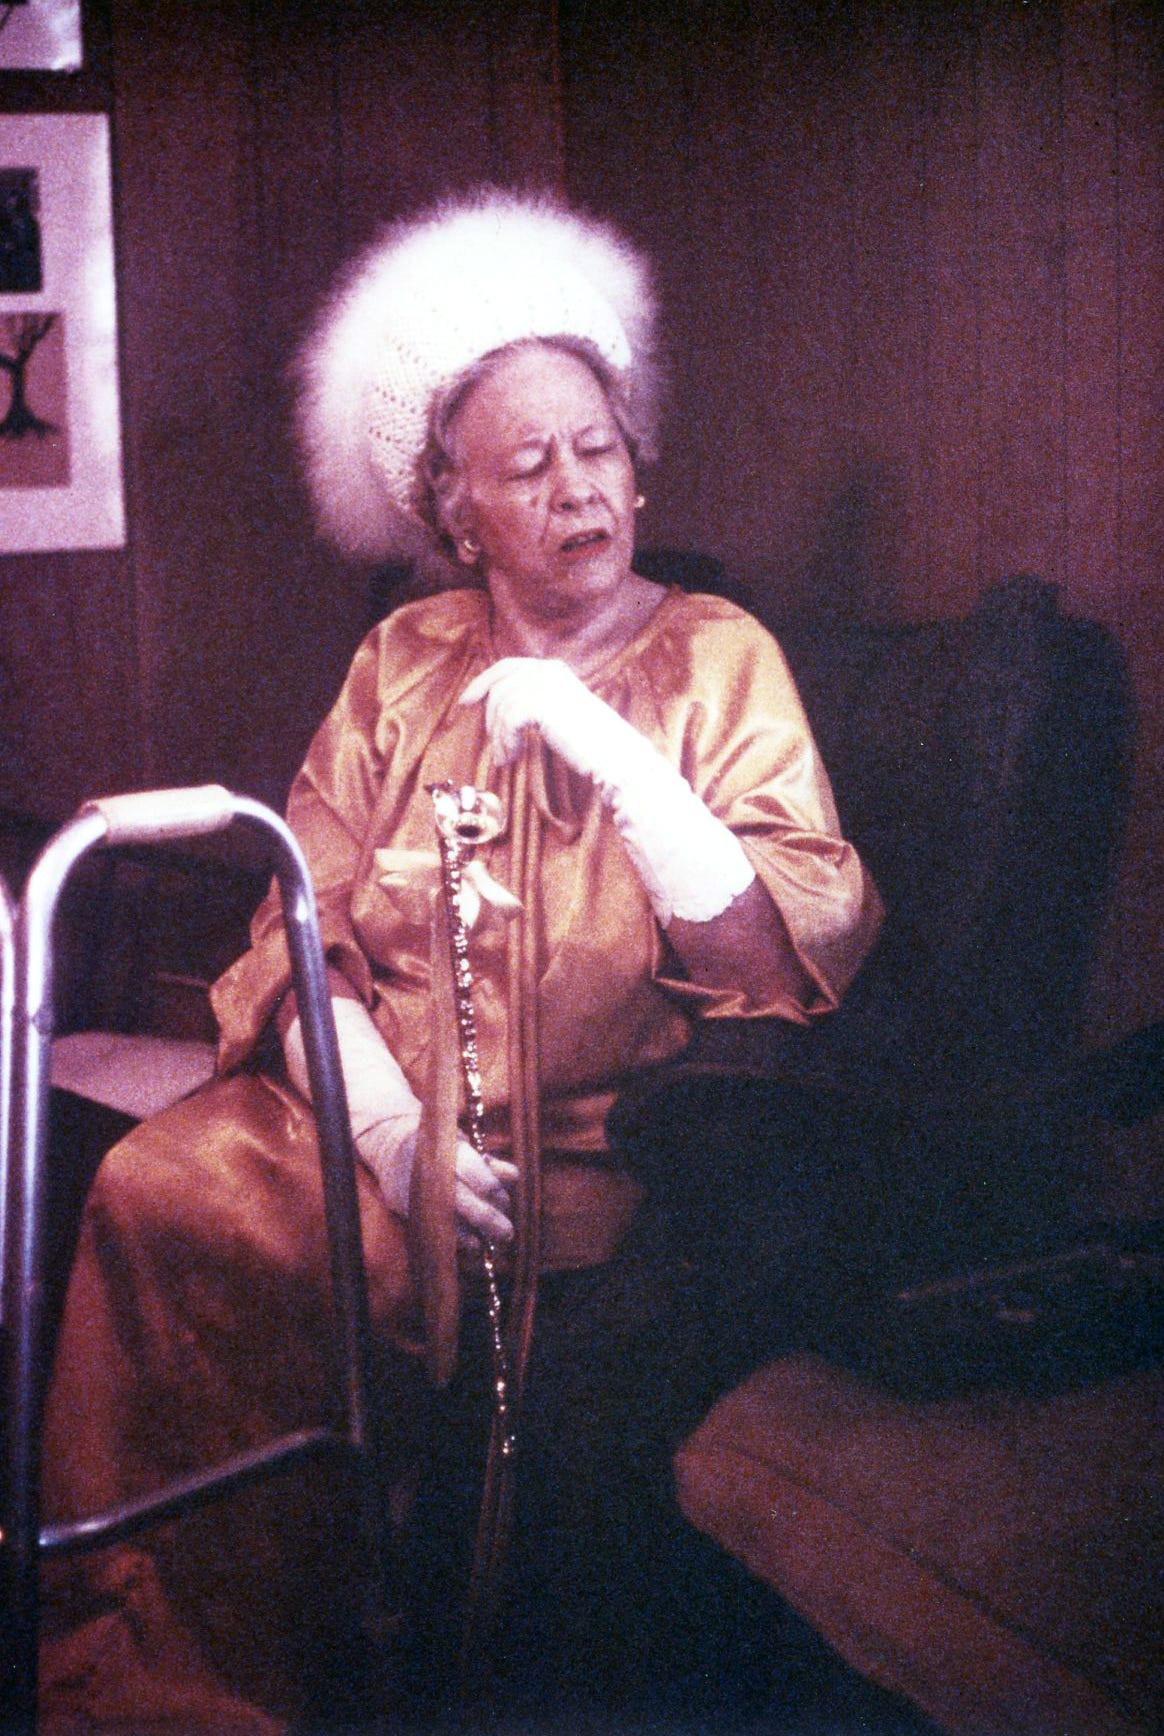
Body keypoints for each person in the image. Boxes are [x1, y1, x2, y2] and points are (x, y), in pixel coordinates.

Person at [40, 188, 883, 1733]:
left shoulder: (720, 656)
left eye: (599, 449)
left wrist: (618, 760)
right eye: (529, 466)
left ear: (637, 460)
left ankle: (327, 1665)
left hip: (576, 1154)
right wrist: (385, 1134)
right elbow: (300, 930)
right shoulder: (404, 659)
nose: (580, 490)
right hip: (365, 1123)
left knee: (331, 1290)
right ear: (455, 511)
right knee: (159, 1192)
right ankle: (153, 1682)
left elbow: (777, 958)